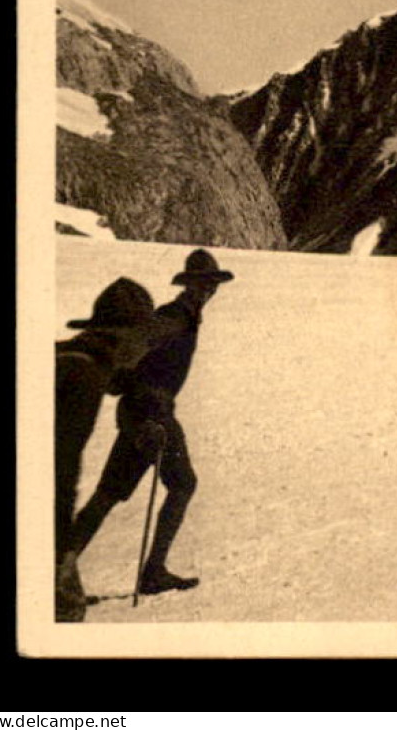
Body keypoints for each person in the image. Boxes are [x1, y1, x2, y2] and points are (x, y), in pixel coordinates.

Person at [65, 249, 234, 599]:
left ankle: (58, 571)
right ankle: (153, 571)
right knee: (183, 483)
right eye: (201, 284)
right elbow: (136, 352)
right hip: (152, 413)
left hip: (137, 412)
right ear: (188, 286)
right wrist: (148, 412)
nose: (206, 291)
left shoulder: (185, 316)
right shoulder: (174, 318)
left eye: (210, 285)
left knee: (108, 495)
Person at [56, 276, 160, 622]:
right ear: (124, 335)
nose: (148, 347)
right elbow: (59, 467)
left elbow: (116, 375)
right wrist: (61, 550)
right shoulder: (85, 377)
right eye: (144, 337)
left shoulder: (70, 356)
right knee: (65, 610)